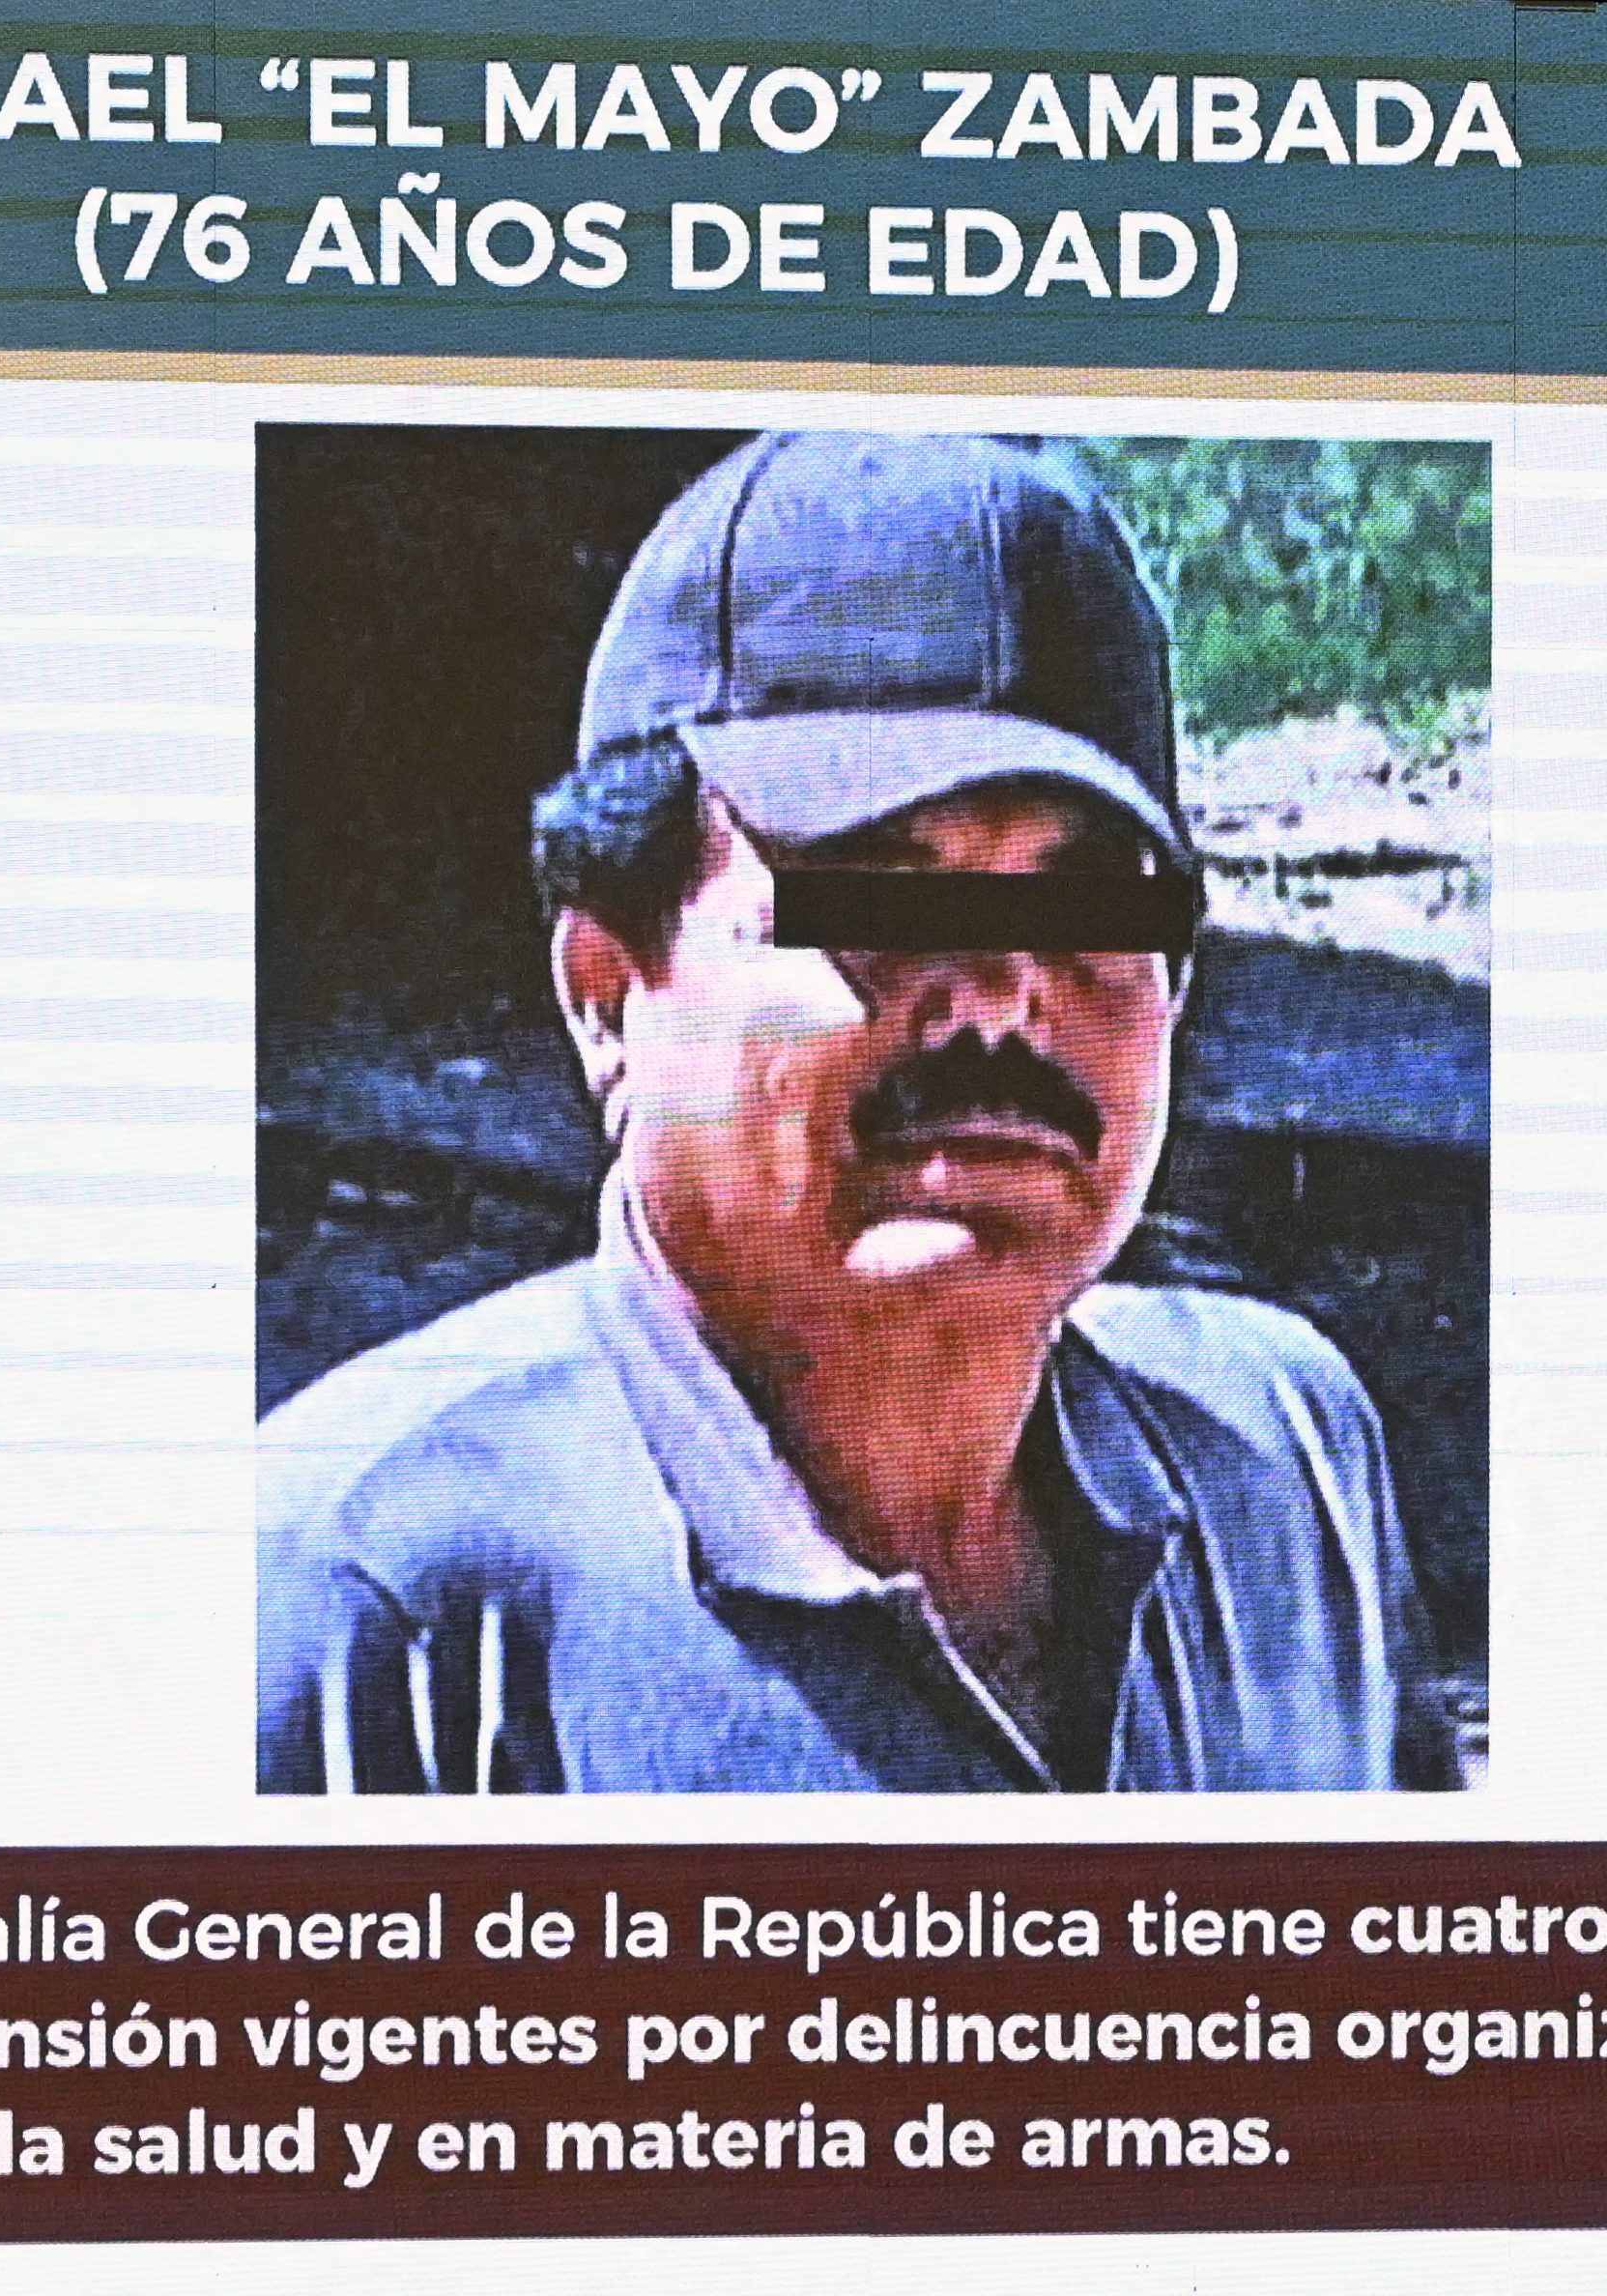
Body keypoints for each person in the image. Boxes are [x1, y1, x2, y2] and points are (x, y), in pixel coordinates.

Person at [259, 429, 1452, 1794]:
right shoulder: (360, 1610)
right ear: (606, 989)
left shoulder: (1287, 1472)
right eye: (879, 892)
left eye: (1087, 905)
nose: (1001, 1001)